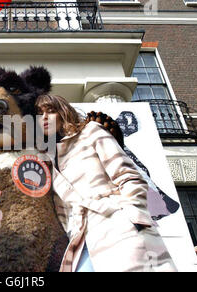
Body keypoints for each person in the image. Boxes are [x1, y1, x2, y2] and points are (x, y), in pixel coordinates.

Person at [35, 94, 177, 272]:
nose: (45, 117)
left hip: (117, 224)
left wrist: (133, 217)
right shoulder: (45, 160)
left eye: (51, 111)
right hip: (79, 239)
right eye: (39, 114)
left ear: (63, 112)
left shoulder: (91, 132)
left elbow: (127, 175)